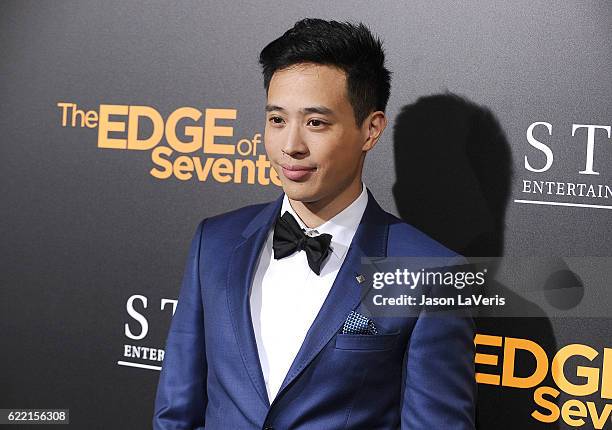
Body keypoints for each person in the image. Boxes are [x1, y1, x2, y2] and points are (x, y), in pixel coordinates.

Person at [153, 18, 475, 429]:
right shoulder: (214, 242)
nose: (291, 146)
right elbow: (176, 413)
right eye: (277, 120)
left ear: (370, 130)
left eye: (316, 123)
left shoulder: (431, 273)